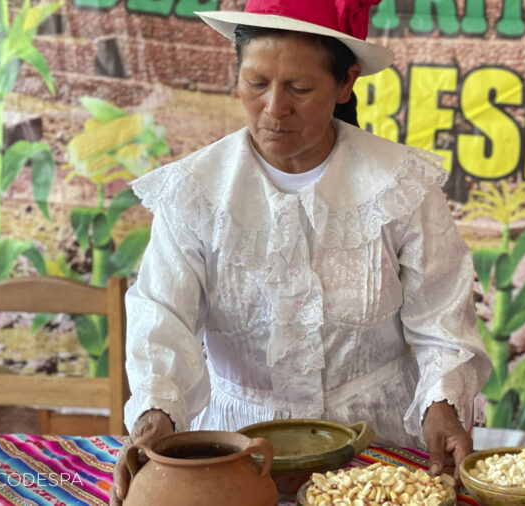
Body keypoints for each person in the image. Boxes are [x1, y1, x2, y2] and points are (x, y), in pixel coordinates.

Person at [109, 0, 492, 503]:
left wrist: (441, 403)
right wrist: (157, 413)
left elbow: (441, 320)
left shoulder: (401, 186)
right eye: (256, 83)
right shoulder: (196, 192)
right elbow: (163, 315)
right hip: (235, 455)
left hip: (377, 456)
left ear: (345, 82)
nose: (274, 108)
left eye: (300, 88)